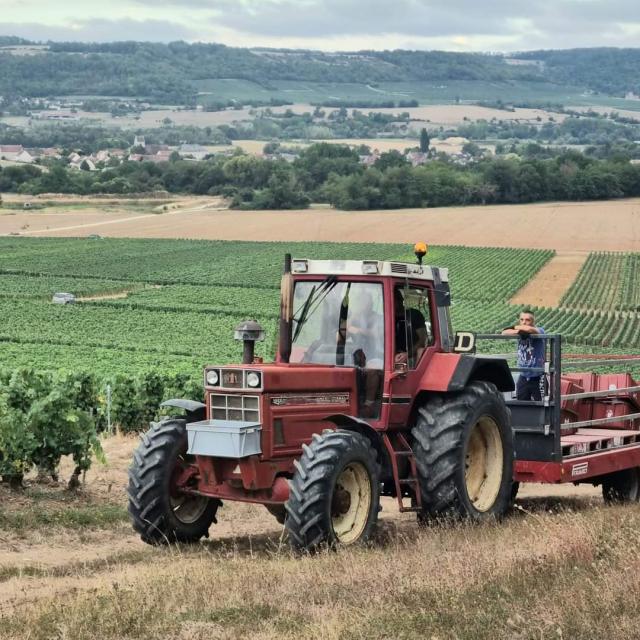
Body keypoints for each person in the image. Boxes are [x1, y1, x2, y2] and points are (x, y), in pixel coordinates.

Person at [502, 309, 546, 401]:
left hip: (537, 377)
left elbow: (529, 329)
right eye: (521, 320)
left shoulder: (540, 330)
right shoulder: (520, 333)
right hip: (523, 376)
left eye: (527, 320)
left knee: (542, 407)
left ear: (533, 321)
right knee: (522, 405)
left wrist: (515, 327)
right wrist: (519, 332)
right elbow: (504, 332)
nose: (524, 322)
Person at [394, 288, 427, 366]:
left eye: (393, 300)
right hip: (392, 356)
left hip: (412, 355)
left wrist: (407, 354)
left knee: (421, 351)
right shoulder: (386, 318)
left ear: (400, 300)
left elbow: (422, 339)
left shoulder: (414, 315)